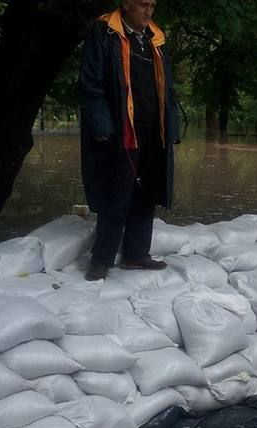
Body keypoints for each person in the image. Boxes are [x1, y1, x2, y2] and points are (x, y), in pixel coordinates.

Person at [79, 0, 179, 281]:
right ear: (127, 4)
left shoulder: (155, 39)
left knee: (146, 193)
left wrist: (171, 127)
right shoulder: (104, 33)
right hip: (119, 129)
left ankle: (136, 254)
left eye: (153, 6)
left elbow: (168, 88)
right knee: (116, 192)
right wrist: (101, 125)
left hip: (152, 129)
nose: (148, 12)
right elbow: (90, 85)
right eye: (143, 5)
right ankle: (101, 259)